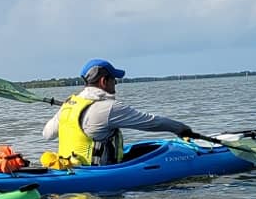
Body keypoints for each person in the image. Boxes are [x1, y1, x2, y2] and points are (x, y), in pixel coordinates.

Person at [42, 59, 194, 166]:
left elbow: (47, 134)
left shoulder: (69, 104)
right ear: (103, 81)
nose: (115, 83)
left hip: (70, 168)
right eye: (114, 79)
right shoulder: (109, 108)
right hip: (99, 175)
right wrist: (181, 128)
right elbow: (152, 123)